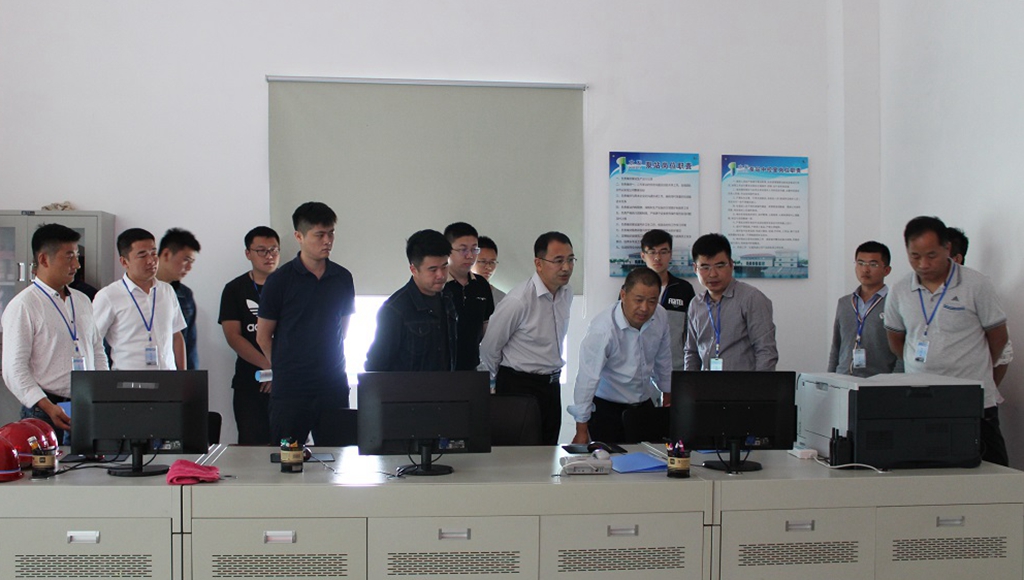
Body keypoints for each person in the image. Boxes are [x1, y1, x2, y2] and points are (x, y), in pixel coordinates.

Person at [884, 216, 1010, 466]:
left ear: (947, 248)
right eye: (915, 256)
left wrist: (978, 368)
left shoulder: (976, 284)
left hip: (973, 401)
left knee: (992, 471)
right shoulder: (899, 290)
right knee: (929, 471)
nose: (923, 264)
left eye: (931, 255)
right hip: (921, 401)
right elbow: (896, 340)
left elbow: (998, 337)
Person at [256, 202, 355, 445]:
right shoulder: (279, 281)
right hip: (291, 388)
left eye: (331, 233)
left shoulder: (342, 277)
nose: (327, 241)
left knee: (338, 457)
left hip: (332, 383)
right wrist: (284, 367)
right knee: (287, 457)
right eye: (319, 235)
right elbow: (263, 336)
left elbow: (343, 329)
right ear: (299, 236)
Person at [1, 224, 108, 443]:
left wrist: (103, 394)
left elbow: (97, 350)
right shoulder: (24, 305)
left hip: (84, 405)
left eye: (76, 256)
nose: (76, 264)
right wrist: (47, 406)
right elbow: (14, 369)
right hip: (44, 410)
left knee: (90, 464)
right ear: (43, 259)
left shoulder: (82, 300)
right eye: (69, 257)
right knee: (49, 465)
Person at [481, 232, 575, 444]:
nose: (566, 267)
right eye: (558, 260)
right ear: (538, 263)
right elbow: (489, 347)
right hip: (519, 386)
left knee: (548, 451)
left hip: (551, 385)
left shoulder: (566, 293)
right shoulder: (518, 300)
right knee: (519, 455)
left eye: (570, 260)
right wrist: (496, 386)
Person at [569, 267, 671, 444]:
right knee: (611, 460)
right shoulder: (603, 330)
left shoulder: (660, 316)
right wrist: (581, 430)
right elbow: (587, 380)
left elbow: (664, 361)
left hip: (643, 406)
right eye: (638, 300)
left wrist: (668, 400)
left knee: (651, 459)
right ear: (623, 295)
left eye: (652, 301)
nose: (645, 308)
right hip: (607, 409)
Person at [218, 226, 280, 445]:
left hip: (287, 381)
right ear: (248, 253)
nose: (269, 256)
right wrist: (269, 367)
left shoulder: (292, 286)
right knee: (251, 447)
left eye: (273, 250)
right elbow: (233, 336)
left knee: (288, 446)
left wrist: (280, 372)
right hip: (249, 381)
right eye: (261, 250)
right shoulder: (235, 289)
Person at [365, 229, 457, 372]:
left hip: (446, 384)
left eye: (444, 267)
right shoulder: (395, 310)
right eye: (432, 269)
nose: (441, 275)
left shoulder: (448, 297)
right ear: (413, 269)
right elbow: (376, 366)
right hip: (408, 386)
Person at [94, 228, 186, 370]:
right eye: (142, 255)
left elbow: (176, 335)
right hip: (129, 381)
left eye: (154, 253)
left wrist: (183, 376)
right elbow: (93, 341)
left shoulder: (166, 291)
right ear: (124, 262)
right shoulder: (108, 296)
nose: (151, 261)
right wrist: (104, 376)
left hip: (168, 379)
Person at [683, 233, 778, 371]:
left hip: (743, 383)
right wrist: (689, 383)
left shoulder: (751, 299)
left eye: (720, 265)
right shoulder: (696, 304)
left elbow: (766, 351)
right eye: (705, 267)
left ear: (731, 265)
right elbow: (691, 353)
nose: (713, 274)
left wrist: (760, 384)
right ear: (695, 269)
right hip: (705, 383)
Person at [947, 226, 1013, 387]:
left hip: (967, 390)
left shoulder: (978, 289)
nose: (925, 264)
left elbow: (1003, 352)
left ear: (956, 259)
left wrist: (985, 391)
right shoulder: (917, 292)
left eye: (935, 255)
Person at [827, 241, 901, 377]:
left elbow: (902, 352)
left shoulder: (895, 303)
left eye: (873, 264)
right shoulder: (844, 303)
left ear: (887, 270)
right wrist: (830, 378)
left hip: (878, 383)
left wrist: (894, 381)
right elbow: (836, 347)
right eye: (860, 263)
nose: (865, 269)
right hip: (843, 379)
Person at [639, 229, 695, 371]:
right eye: (652, 252)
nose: (657, 257)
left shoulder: (684, 289)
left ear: (670, 254)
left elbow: (691, 333)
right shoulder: (632, 290)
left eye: (663, 252)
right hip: (639, 369)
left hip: (675, 368)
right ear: (643, 256)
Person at [442, 223, 494, 371]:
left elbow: (487, 327)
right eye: (463, 249)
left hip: (472, 366)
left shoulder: (481, 285)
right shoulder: (439, 285)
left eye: (474, 249)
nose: (470, 256)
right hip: (441, 368)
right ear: (447, 250)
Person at [156, 228, 201, 370]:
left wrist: (190, 377)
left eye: (192, 262)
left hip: (174, 373)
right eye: (186, 260)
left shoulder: (185, 295)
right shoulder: (135, 292)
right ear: (166, 254)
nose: (189, 267)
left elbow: (189, 344)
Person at [472, 236, 506, 305]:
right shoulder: (455, 293)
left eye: (492, 262)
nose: (488, 267)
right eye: (483, 261)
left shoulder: (503, 299)